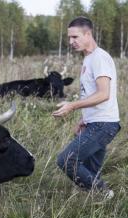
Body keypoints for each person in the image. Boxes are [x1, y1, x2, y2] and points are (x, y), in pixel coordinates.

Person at [52, 16, 120, 198]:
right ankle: (96, 203)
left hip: (104, 125)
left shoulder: (99, 58)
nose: (71, 42)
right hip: (96, 122)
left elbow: (103, 93)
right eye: (69, 38)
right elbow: (93, 94)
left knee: (66, 160)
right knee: (90, 170)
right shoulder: (89, 59)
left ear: (88, 34)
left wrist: (72, 106)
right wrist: (85, 118)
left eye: (75, 37)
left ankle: (104, 193)